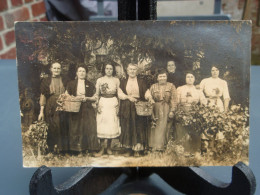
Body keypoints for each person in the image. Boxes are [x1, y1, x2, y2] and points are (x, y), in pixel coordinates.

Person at [118, 63, 154, 157]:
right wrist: (128, 97)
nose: (132, 71)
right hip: (126, 106)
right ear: (127, 70)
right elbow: (120, 93)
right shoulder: (123, 82)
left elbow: (146, 92)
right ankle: (128, 149)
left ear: (137, 71)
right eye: (130, 69)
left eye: (134, 69)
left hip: (139, 106)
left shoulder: (141, 81)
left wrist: (149, 98)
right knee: (127, 126)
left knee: (138, 126)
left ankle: (137, 150)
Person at [66, 65, 99, 154]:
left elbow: (95, 97)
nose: (81, 73)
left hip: (87, 108)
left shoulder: (90, 84)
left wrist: (87, 98)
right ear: (77, 73)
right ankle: (77, 150)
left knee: (90, 127)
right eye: (80, 71)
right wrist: (73, 98)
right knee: (76, 128)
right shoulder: (71, 84)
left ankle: (91, 149)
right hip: (75, 108)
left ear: (86, 73)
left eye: (83, 71)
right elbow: (66, 96)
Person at [38, 62, 69, 153]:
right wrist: (41, 111)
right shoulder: (46, 81)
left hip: (63, 104)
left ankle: (62, 149)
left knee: (63, 125)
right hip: (50, 105)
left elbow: (68, 93)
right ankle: (51, 149)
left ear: (61, 70)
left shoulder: (66, 80)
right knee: (52, 126)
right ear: (51, 69)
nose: (56, 70)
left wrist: (63, 101)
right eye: (54, 68)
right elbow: (43, 96)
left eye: (58, 68)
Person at [176, 72, 207, 153]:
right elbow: (176, 102)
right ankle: (183, 151)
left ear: (194, 79)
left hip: (194, 114)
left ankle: (195, 151)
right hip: (182, 113)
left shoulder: (198, 90)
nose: (190, 78)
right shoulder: (180, 89)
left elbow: (203, 101)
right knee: (182, 132)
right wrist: (180, 113)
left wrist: (204, 107)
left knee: (195, 131)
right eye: (188, 77)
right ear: (185, 79)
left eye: (191, 77)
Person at [95, 63, 121, 156]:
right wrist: (97, 105)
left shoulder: (116, 80)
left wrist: (118, 106)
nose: (109, 70)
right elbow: (97, 94)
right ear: (104, 69)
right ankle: (102, 148)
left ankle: (109, 147)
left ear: (113, 70)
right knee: (102, 124)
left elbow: (119, 94)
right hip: (103, 102)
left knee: (111, 125)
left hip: (113, 102)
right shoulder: (100, 80)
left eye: (110, 69)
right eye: (107, 68)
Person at [149, 69, 177, 151]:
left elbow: (174, 99)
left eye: (164, 76)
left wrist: (172, 110)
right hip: (155, 108)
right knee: (155, 126)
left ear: (166, 77)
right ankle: (154, 146)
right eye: (160, 76)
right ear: (157, 78)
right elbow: (149, 98)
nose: (162, 78)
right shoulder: (153, 86)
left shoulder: (171, 86)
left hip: (166, 108)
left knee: (165, 127)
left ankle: (163, 147)